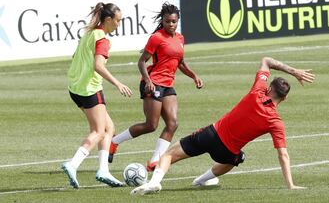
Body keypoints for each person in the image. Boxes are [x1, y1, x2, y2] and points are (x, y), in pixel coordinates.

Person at [131, 57, 315, 195]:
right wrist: (290, 185)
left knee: (169, 154)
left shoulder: (257, 91)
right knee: (238, 158)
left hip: (210, 134)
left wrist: (293, 71)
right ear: (285, 98)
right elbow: (283, 154)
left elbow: (266, 60)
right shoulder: (275, 122)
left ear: (268, 89)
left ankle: (155, 182)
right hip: (226, 152)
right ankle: (202, 180)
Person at [108, 2, 203, 171]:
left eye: (173, 21)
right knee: (151, 125)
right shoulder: (156, 38)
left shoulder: (180, 38)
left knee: (173, 124)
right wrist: (148, 81)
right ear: (163, 21)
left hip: (168, 85)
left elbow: (180, 62)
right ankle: (114, 142)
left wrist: (194, 76)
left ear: (177, 20)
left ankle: (154, 161)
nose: (171, 25)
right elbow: (142, 61)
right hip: (153, 83)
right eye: (167, 21)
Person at [61, 2, 133, 189]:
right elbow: (98, 66)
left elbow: (74, 57)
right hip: (90, 90)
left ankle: (103, 171)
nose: (119, 24)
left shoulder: (89, 33)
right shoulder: (102, 39)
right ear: (108, 19)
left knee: (109, 128)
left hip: (75, 88)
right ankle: (73, 164)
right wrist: (118, 83)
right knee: (99, 131)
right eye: (118, 20)